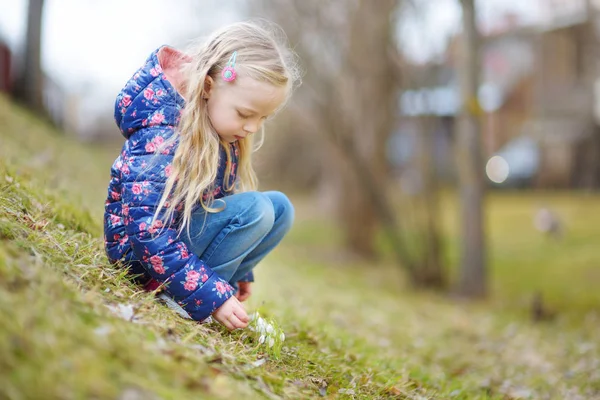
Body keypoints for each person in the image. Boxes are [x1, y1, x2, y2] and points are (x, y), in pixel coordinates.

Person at [103, 21, 300, 331]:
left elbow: (215, 205)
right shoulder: (163, 135)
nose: (252, 127)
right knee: (257, 210)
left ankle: (214, 284)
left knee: (279, 208)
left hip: (180, 243)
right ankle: (183, 298)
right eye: (246, 114)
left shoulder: (220, 129)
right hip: (141, 258)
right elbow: (147, 231)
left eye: (263, 118)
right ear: (209, 87)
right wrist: (212, 294)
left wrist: (242, 267)